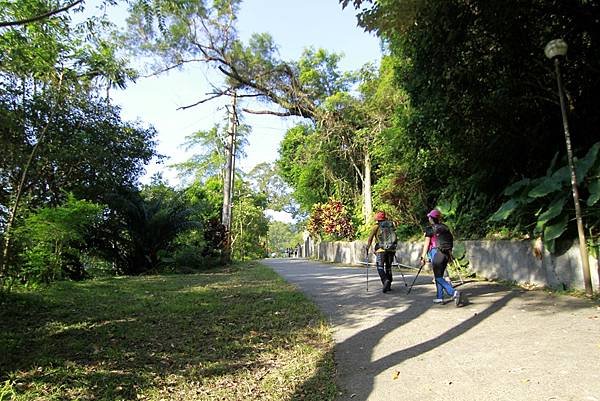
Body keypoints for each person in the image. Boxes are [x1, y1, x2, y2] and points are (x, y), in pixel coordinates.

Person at [420, 209, 463, 306]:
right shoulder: (445, 227)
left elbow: (426, 244)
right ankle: (440, 297)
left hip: (436, 252)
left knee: (438, 277)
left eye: (429, 217)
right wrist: (450, 256)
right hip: (446, 253)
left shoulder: (430, 229)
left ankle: (453, 292)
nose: (429, 219)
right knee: (440, 274)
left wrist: (423, 257)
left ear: (431, 219)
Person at [366, 211, 397, 293]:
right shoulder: (391, 225)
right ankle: (389, 285)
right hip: (391, 249)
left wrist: (367, 247)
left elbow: (370, 239)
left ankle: (385, 280)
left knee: (380, 267)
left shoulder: (376, 227)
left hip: (381, 250)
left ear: (377, 219)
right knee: (388, 267)